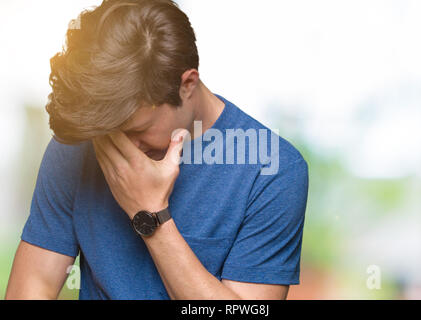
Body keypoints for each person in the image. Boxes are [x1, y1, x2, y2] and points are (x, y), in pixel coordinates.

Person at [5, 0, 309, 300]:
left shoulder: (273, 168)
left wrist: (151, 215)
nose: (123, 145)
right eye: (112, 131)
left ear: (187, 84)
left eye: (137, 130)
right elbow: (33, 286)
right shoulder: (87, 139)